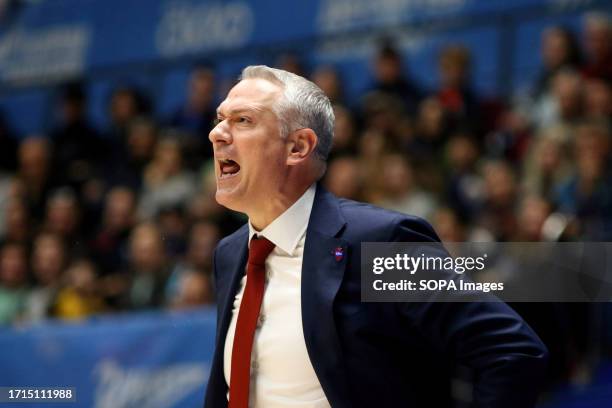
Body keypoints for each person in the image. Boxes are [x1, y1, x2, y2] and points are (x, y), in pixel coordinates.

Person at [204, 65, 548, 408]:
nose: (217, 133)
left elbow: (511, 352)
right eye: (220, 119)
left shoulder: (378, 243)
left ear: (298, 147)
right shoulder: (231, 253)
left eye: (243, 121)